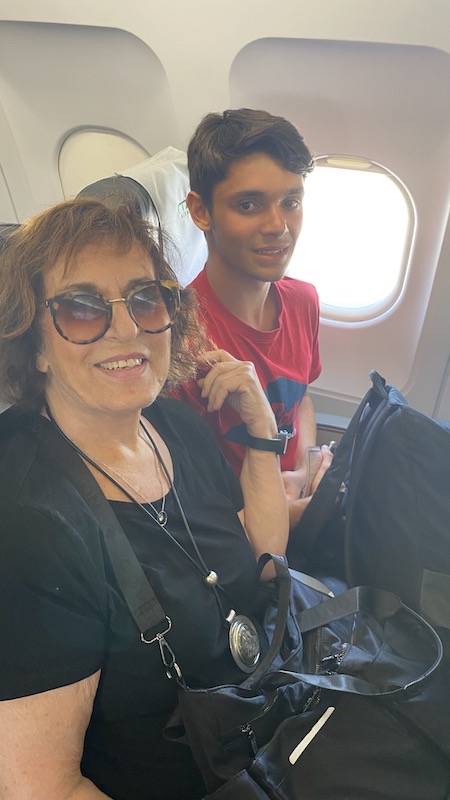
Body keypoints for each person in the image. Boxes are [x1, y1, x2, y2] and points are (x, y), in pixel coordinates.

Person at [0, 197, 288, 800]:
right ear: (34, 348)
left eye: (144, 297)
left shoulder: (173, 426)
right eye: (80, 308)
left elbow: (262, 561)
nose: (127, 328)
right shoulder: (33, 528)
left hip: (263, 733)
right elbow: (40, 787)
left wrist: (261, 430)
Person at [172, 108, 332, 530]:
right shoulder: (181, 343)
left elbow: (302, 400)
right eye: (249, 205)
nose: (278, 226)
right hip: (249, 533)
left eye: (291, 202)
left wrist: (303, 469)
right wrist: (301, 510)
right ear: (201, 211)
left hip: (298, 493)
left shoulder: (303, 301)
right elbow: (200, 521)